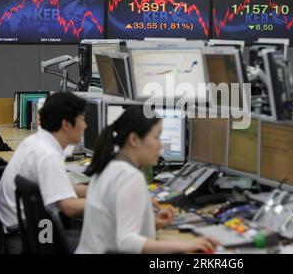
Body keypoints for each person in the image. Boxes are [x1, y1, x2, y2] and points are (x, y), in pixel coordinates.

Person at [76, 106, 219, 254]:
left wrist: (151, 224)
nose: (160, 145)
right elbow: (126, 242)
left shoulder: (107, 166)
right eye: (156, 137)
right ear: (134, 140)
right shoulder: (130, 177)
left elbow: (112, 227)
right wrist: (185, 245)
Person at [0, 93, 88, 231]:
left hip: (17, 225)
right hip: (35, 235)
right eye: (82, 119)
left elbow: (59, 189)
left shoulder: (36, 142)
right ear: (66, 125)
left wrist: (97, 190)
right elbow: (69, 207)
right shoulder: (48, 156)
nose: (85, 126)